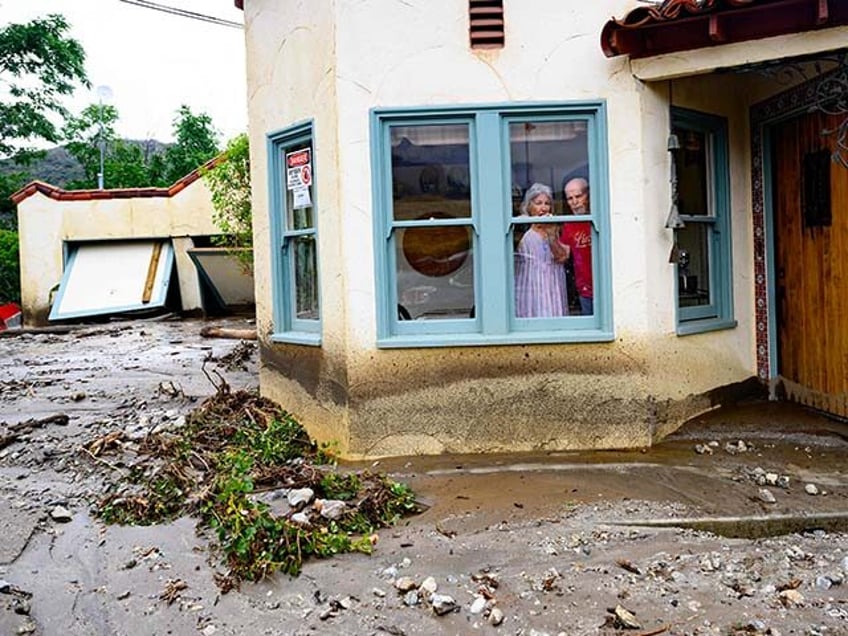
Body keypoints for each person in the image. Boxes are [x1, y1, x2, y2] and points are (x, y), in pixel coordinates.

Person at [514, 183, 569, 317]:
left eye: (547, 203)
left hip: (552, 283)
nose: (543, 208)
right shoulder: (523, 227)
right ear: (529, 206)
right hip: (530, 284)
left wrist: (551, 233)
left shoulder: (555, 229)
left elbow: (561, 257)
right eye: (538, 203)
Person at [559, 177, 593, 316]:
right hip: (584, 288)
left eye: (578, 196)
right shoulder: (569, 225)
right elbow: (563, 255)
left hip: (608, 285)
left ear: (588, 195)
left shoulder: (599, 218)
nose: (575, 202)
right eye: (570, 198)